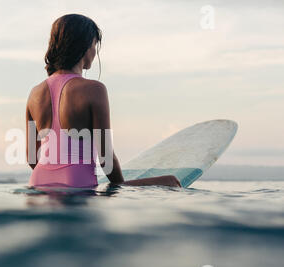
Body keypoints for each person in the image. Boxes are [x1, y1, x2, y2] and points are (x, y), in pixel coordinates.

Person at [26, 14, 181, 188]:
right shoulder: (94, 89)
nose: (95, 51)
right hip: (76, 182)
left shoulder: (35, 93)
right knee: (172, 182)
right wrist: (120, 188)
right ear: (84, 46)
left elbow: (32, 158)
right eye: (94, 44)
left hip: (38, 183)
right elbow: (106, 158)